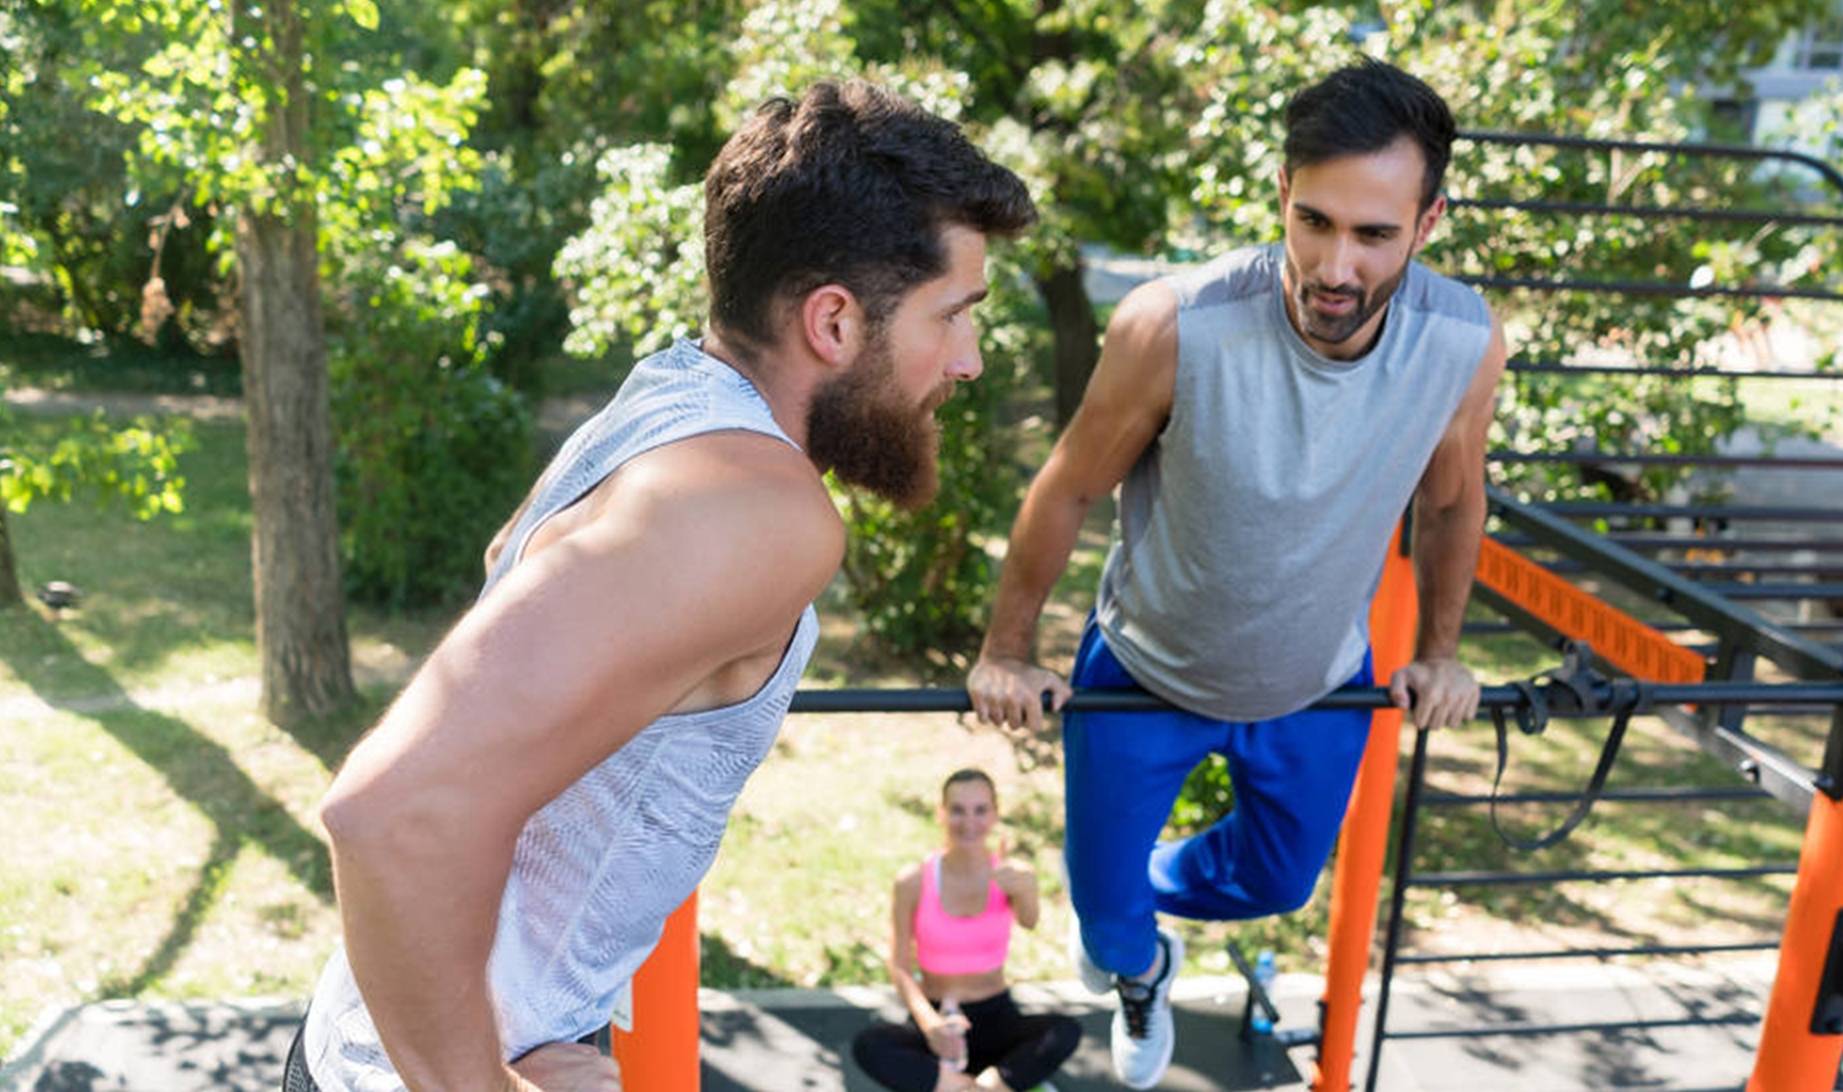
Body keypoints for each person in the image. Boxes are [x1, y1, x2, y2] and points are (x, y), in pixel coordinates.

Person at [281, 80, 1035, 1092]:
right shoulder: (764, 515)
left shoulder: (663, 405)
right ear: (835, 323)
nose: (971, 360)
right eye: (953, 317)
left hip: (414, 1042)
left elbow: (513, 597)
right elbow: (389, 815)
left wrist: (533, 1026)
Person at [965, 57, 1507, 1089]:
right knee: (1110, 933)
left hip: (1316, 680)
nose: (1334, 265)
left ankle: (1130, 893)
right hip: (1142, 673)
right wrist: (1004, 650)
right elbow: (1069, 485)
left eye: (1374, 234)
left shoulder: (1461, 341)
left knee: (1277, 881)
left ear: (1427, 223)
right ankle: (1136, 961)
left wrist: (1440, 655)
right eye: (1314, 222)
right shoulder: (1176, 324)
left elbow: (1448, 501)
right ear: (1281, 197)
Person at [851, 769, 1081, 1092]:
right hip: (938, 1017)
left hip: (997, 1014)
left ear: (995, 814)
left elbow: (1029, 921)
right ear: (941, 813)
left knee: (1064, 1031)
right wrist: (931, 1028)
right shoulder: (912, 881)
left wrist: (1027, 889)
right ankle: (972, 1085)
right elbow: (900, 966)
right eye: (957, 810)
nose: (969, 821)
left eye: (980, 810)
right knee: (870, 1044)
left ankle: (980, 1086)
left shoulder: (1012, 875)